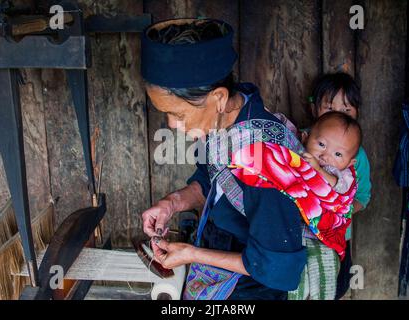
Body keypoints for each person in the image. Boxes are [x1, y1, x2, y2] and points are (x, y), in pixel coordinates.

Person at [140, 18, 306, 300]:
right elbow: (211, 180)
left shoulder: (265, 159)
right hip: (217, 253)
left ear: (218, 97)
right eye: (165, 113)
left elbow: (278, 268)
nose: (171, 124)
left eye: (178, 114)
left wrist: (192, 253)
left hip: (252, 288)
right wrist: (173, 203)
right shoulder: (222, 123)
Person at [289, 72, 371, 300]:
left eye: (346, 110)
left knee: (333, 285)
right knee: (293, 284)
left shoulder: (357, 156)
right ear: (314, 109)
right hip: (297, 235)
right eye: (329, 108)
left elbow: (362, 197)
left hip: (334, 238)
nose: (337, 115)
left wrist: (338, 210)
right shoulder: (303, 142)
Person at [302, 111, 362, 195]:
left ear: (349, 163)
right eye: (321, 144)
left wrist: (318, 169)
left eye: (338, 154)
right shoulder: (298, 150)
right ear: (305, 138)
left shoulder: (345, 175)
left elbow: (338, 187)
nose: (325, 156)